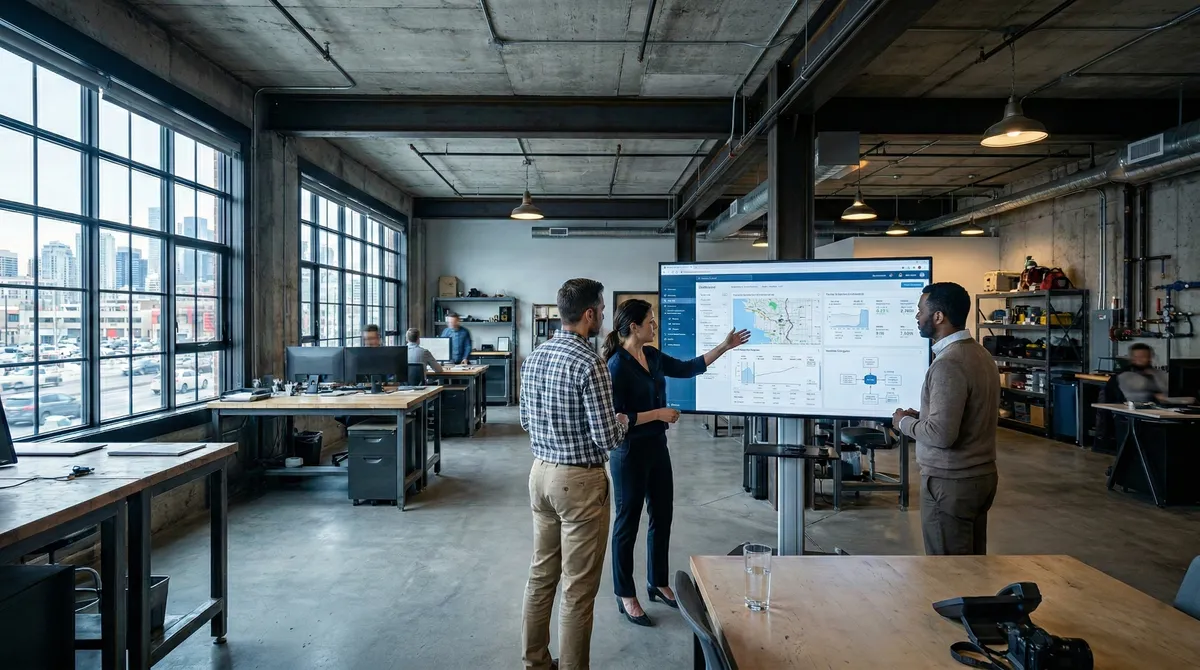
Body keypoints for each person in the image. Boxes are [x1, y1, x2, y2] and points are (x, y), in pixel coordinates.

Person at [602, 299, 749, 626]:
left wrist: (725, 346)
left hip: (657, 447)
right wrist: (657, 414)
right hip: (629, 453)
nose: (655, 326)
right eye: (650, 322)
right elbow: (615, 417)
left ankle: (657, 581)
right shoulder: (616, 365)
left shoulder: (652, 356)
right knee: (627, 524)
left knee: (662, 516)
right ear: (634, 327)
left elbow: (688, 367)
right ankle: (625, 593)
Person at [519, 278, 629, 670]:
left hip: (540, 475)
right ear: (588, 315)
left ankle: (535, 662)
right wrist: (623, 422)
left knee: (541, 575)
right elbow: (607, 438)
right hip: (579, 482)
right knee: (578, 590)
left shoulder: (534, 357)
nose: (602, 316)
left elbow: (526, 421)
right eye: (600, 309)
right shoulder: (591, 363)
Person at [892, 282, 1000, 556]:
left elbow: (941, 435)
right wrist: (925, 418)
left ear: (938, 316)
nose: (917, 317)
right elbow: (965, 414)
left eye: (920, 311)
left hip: (950, 483)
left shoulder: (948, 364)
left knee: (949, 571)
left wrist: (903, 423)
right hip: (978, 477)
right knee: (972, 565)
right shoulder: (979, 354)